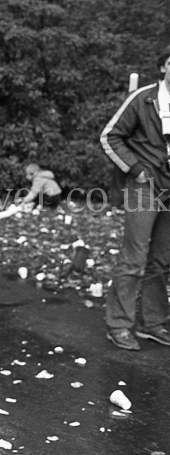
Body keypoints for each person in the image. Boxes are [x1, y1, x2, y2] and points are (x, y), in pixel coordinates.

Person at [99, 44, 170, 351]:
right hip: (144, 186)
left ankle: (153, 324)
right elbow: (109, 136)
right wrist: (137, 169)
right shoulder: (143, 98)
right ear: (165, 66)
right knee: (135, 258)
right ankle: (119, 325)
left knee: (162, 260)